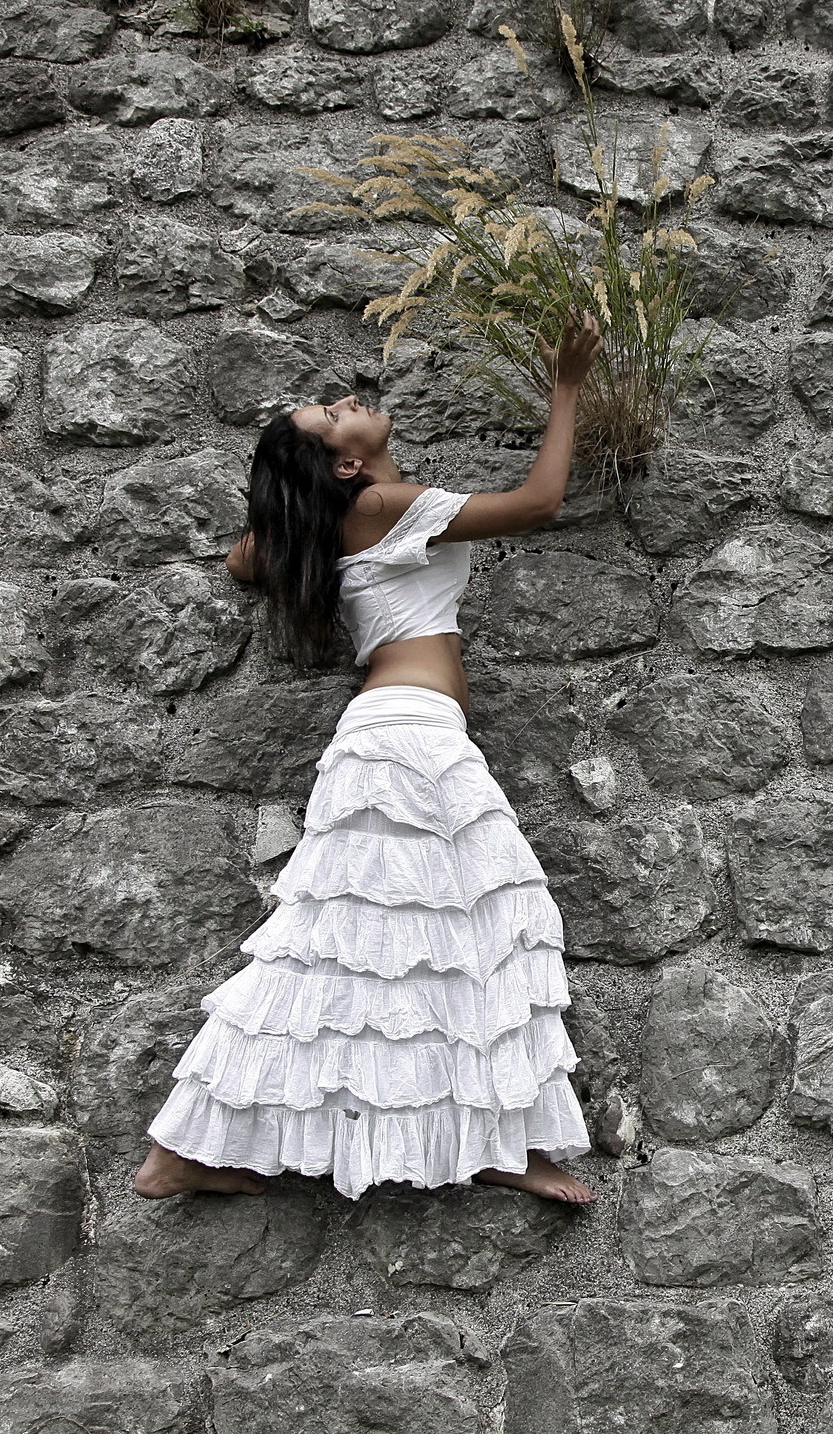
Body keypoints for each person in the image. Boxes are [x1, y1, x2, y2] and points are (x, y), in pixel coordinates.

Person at [132, 314, 606, 1205]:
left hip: (405, 735)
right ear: (346, 464)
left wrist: (303, 500)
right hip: (407, 738)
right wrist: (568, 385)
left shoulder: (346, 517)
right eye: (328, 419)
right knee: (367, 942)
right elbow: (539, 504)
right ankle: (184, 1149)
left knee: (458, 936)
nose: (344, 401)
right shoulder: (384, 505)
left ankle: (491, 1138)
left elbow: (245, 561)